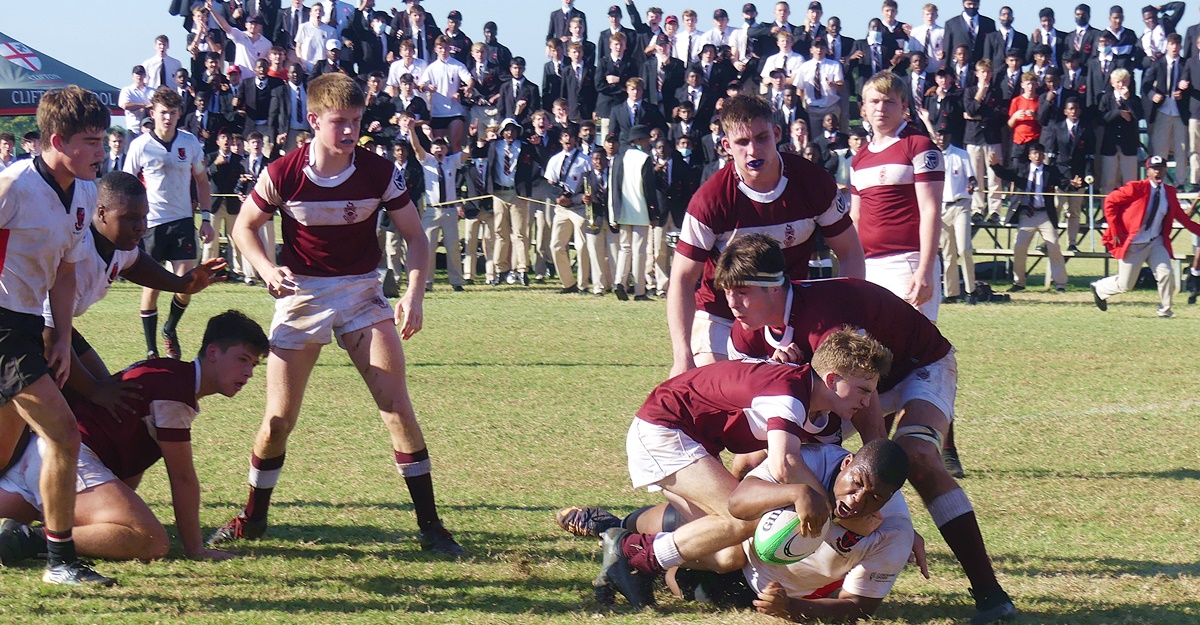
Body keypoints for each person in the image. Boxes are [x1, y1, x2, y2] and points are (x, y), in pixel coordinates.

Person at [211, 73, 464, 556]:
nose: (349, 132)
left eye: (356, 122)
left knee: (397, 407)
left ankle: (431, 526)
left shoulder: (378, 170)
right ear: (313, 121)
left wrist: (414, 294)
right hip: (302, 294)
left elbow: (414, 236)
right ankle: (253, 517)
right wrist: (266, 268)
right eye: (339, 122)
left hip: (360, 292)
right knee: (279, 420)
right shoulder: (285, 171)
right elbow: (245, 226)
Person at [716, 233, 1018, 623]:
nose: (732, 304)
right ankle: (714, 564)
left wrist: (893, 518)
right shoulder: (746, 333)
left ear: (775, 286)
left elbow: (866, 400)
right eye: (728, 293)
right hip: (849, 388)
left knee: (918, 457)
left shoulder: (824, 320)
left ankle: (990, 594)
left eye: (742, 292)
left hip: (915, 368)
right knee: (748, 463)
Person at [592, 331, 892, 609]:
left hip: (693, 440)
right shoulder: (788, 392)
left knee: (729, 554)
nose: (867, 402)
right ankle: (631, 551)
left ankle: (636, 558)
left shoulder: (823, 414)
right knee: (742, 517)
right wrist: (827, 511)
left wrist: (893, 523)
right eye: (862, 390)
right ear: (830, 379)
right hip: (664, 427)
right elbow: (785, 465)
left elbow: (829, 476)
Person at [0, 311, 267, 564]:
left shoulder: (170, 373)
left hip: (42, 457)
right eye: (242, 359)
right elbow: (182, 478)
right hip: (67, 461)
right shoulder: (175, 389)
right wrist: (196, 549)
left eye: (254, 365)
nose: (249, 373)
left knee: (119, 522)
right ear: (213, 353)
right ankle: (29, 539)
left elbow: (130, 461)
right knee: (150, 541)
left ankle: (23, 529)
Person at [561, 440, 917, 622]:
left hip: (755, 587)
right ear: (847, 462)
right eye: (855, 484)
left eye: (874, 498)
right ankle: (618, 527)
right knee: (722, 529)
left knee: (689, 579)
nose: (856, 501)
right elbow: (739, 502)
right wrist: (798, 492)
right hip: (736, 541)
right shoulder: (810, 460)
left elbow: (860, 607)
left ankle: (635, 549)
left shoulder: (894, 530)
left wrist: (790, 607)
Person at [0, 86, 115, 586]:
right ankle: (60, 562)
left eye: (104, 139)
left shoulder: (86, 192)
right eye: (91, 141)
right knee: (63, 434)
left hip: (29, 325)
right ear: (56, 140)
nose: (102, 150)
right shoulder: (13, 188)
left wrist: (64, 338)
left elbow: (66, 272)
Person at [666, 94, 864, 377]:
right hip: (723, 315)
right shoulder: (710, 200)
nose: (753, 151)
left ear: (777, 134)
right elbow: (683, 279)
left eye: (761, 138)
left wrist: (847, 322)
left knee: (828, 393)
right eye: (742, 142)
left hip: (789, 315)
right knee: (721, 393)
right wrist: (682, 356)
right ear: (726, 146)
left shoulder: (813, 182)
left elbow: (850, 252)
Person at [125, 87, 215, 361]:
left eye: (173, 113)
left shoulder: (189, 143)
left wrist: (207, 218)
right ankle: (151, 349)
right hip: (151, 224)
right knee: (150, 287)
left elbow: (201, 181)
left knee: (186, 284)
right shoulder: (140, 145)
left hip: (182, 222)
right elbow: (126, 185)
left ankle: (170, 329)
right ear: (153, 113)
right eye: (163, 112)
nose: (168, 118)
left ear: (179, 115)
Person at [851, 71, 945, 320]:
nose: (880, 108)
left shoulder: (919, 145)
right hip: (869, 266)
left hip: (908, 262)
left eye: (889, 101)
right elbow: (856, 217)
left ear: (904, 106)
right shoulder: (859, 158)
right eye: (874, 101)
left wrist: (924, 269)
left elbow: (931, 210)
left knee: (913, 350)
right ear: (863, 107)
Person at [1091, 155, 1200, 317]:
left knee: (1166, 273)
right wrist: (1115, 230)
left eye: (1161, 169)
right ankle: (1099, 288)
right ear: (1147, 171)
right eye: (1154, 169)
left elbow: (1181, 217)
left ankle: (1165, 311)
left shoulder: (1169, 192)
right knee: (1125, 284)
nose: (1158, 172)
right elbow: (1110, 202)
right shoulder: (1136, 188)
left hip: (1155, 241)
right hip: (1133, 243)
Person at [988, 145, 1069, 292]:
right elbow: (1006, 174)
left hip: (1045, 215)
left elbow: (1064, 183)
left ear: (1044, 156)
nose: (1037, 156)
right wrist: (995, 166)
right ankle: (1019, 282)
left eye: (1040, 153)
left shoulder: (1051, 171)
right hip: (1027, 215)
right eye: (1034, 153)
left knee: (1054, 245)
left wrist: (1074, 184)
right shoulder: (1021, 169)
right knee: (1019, 247)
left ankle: (1060, 283)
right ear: (1030, 156)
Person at [545, 125, 594, 295]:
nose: (568, 140)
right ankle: (568, 283)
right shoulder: (555, 160)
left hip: (579, 208)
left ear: (575, 140)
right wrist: (558, 198)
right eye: (565, 136)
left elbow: (590, 186)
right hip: (560, 208)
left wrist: (579, 198)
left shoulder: (585, 160)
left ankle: (583, 284)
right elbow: (549, 184)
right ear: (560, 139)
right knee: (556, 245)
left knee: (581, 246)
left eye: (571, 137)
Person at [933, 129, 977, 303]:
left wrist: (972, 184)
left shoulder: (961, 154)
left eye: (945, 135)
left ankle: (970, 290)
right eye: (938, 135)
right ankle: (952, 292)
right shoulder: (932, 156)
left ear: (950, 136)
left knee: (964, 248)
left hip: (960, 205)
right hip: (941, 208)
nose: (942, 138)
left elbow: (972, 178)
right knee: (948, 252)